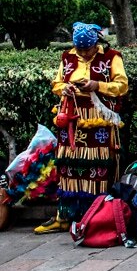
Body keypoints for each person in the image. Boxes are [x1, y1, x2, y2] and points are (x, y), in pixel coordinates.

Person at [37, 22, 128, 234]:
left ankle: (98, 216)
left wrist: (97, 86)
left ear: (96, 43)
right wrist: (65, 88)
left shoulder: (111, 56)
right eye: (80, 50)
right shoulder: (67, 57)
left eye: (87, 49)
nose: (84, 53)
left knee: (98, 166)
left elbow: (122, 85)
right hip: (71, 118)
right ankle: (65, 216)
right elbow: (57, 83)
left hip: (99, 119)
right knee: (68, 166)